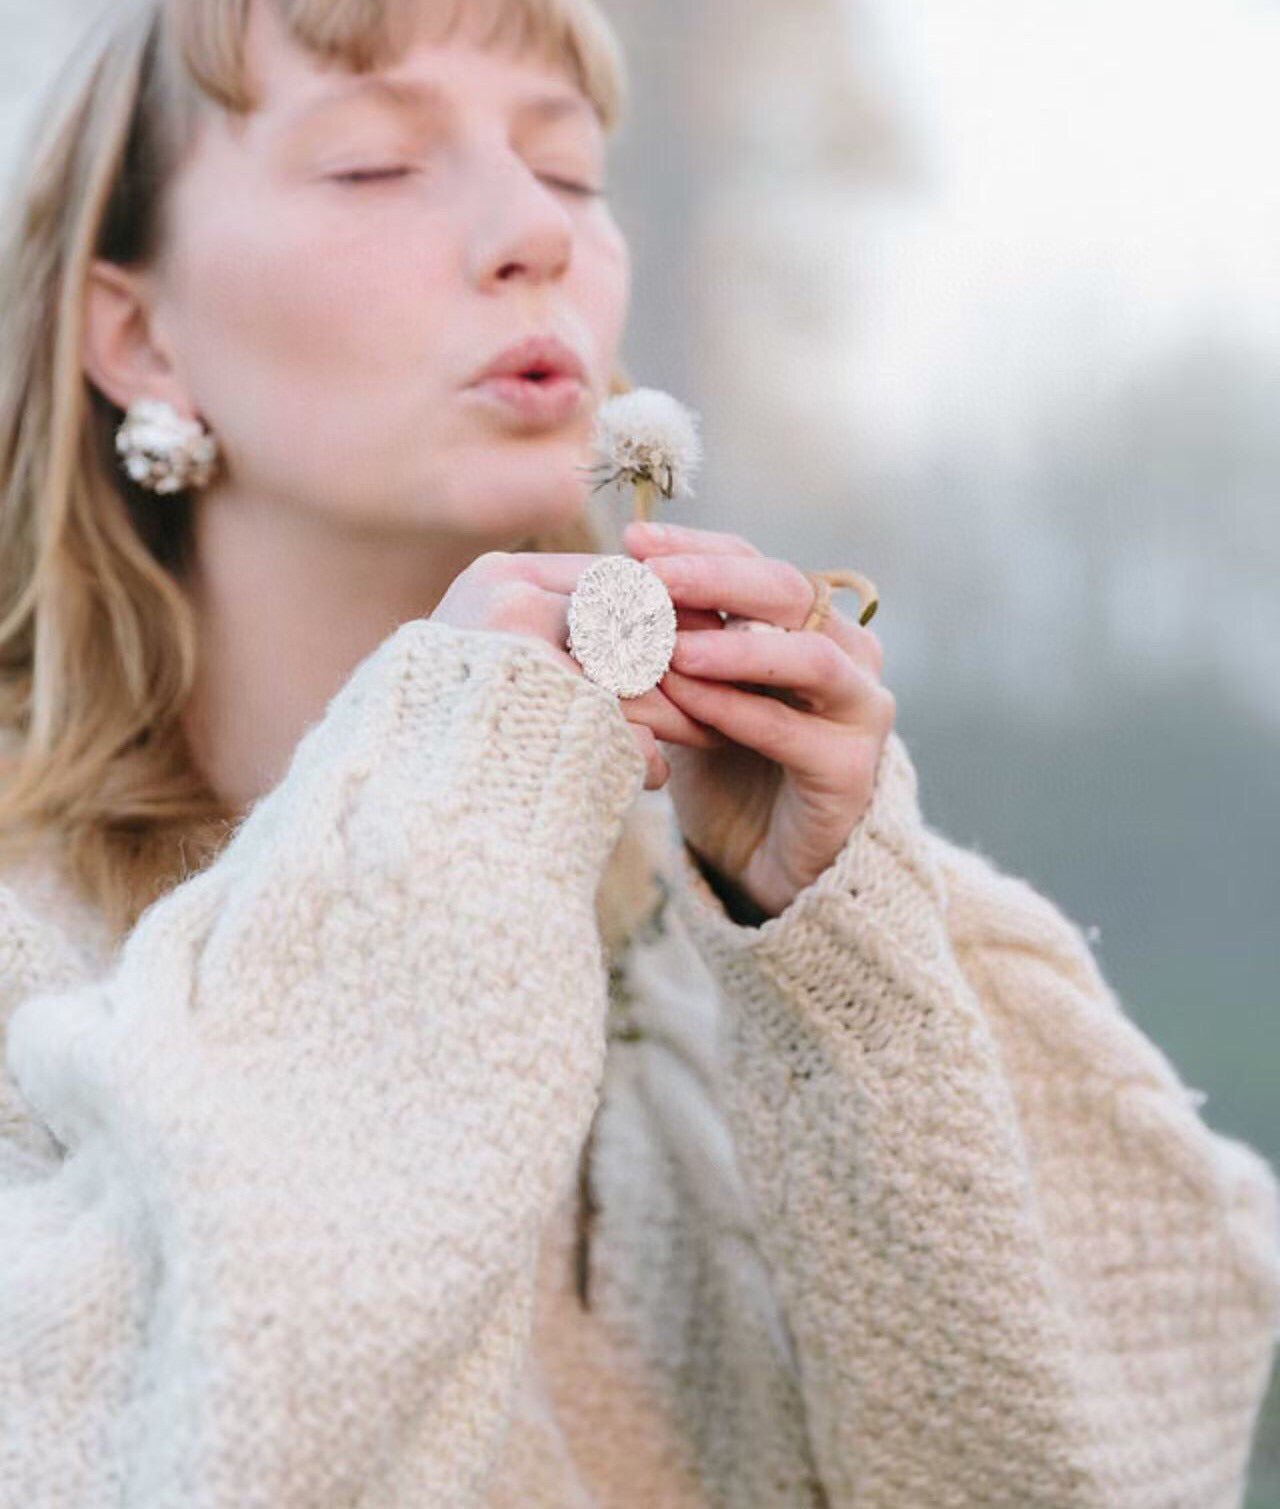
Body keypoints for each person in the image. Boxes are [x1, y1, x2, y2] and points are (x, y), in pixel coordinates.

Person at [0, 0, 1275, 1505]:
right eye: (374, 166)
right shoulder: (35, 948)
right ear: (138, 332)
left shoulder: (698, 940)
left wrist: (835, 938)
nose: (530, 231)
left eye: (571, 170)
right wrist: (444, 819)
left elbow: (1103, 1461)